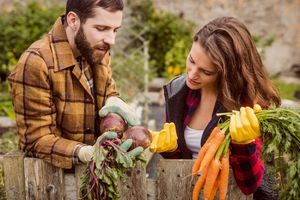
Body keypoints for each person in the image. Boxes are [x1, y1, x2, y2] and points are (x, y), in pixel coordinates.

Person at [151, 17, 280, 198]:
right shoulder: (178, 93)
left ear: (227, 73)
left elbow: (250, 185)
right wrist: (171, 150)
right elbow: (182, 164)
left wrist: (244, 146)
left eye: (206, 71)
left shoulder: (249, 106)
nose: (192, 74)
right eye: (192, 60)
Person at [8, 0, 142, 169]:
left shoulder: (97, 51)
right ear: (73, 21)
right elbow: (36, 139)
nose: (111, 40)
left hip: (97, 177)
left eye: (115, 30)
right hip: (53, 182)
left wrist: (113, 101)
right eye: (101, 29)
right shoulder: (36, 63)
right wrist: (83, 152)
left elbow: (108, 94)